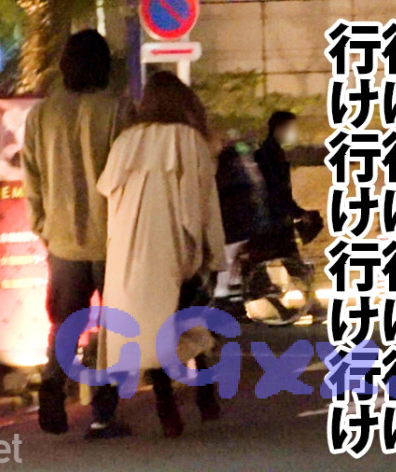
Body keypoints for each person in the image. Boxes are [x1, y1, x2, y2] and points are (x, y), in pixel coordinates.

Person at [96, 71, 226, 439]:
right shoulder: (189, 139)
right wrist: (211, 250)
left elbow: (111, 200)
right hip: (177, 245)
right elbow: (203, 203)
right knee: (192, 316)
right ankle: (206, 392)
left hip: (131, 250)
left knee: (150, 326)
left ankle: (166, 408)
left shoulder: (125, 142)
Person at [21, 30, 134, 439]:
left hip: (63, 239)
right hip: (114, 239)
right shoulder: (119, 111)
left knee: (65, 321)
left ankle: (54, 380)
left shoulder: (41, 115)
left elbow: (31, 178)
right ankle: (103, 413)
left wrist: (43, 226)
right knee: (114, 327)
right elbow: (131, 176)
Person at [248, 111, 323, 324]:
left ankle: (300, 307)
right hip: (274, 221)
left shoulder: (269, 153)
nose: (293, 133)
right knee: (291, 265)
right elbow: (277, 192)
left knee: (261, 267)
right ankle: (312, 307)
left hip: (267, 220)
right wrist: (298, 213)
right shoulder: (271, 155)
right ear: (279, 128)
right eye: (291, 128)